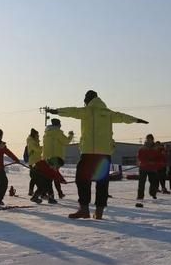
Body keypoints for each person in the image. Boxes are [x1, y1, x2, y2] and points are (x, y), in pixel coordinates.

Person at [49, 90, 148, 220]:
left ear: (87, 100)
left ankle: (84, 209)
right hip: (104, 153)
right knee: (102, 182)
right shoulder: (108, 113)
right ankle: (99, 212)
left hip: (88, 152)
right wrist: (136, 120)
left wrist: (57, 111)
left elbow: (71, 111)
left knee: (82, 180)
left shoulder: (86, 111)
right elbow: (123, 117)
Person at [42, 118, 74, 199]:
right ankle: (47, 194)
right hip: (55, 158)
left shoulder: (46, 134)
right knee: (52, 177)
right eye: (59, 124)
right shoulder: (57, 132)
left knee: (51, 176)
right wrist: (71, 135)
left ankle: (58, 193)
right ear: (57, 125)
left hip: (47, 158)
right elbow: (66, 141)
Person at [136, 134, 159, 208]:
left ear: (152, 140)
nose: (149, 140)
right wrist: (145, 161)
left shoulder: (156, 148)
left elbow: (158, 157)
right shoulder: (142, 148)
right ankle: (140, 196)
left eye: (150, 139)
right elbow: (139, 157)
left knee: (153, 182)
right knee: (141, 183)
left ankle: (153, 193)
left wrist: (154, 162)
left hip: (152, 168)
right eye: (147, 139)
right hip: (143, 167)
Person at [26, 128, 46, 201]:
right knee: (40, 183)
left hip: (36, 162)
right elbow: (37, 149)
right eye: (37, 135)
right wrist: (45, 148)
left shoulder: (34, 141)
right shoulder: (31, 142)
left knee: (38, 181)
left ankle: (37, 195)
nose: (38, 136)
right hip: (34, 163)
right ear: (34, 135)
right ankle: (36, 196)